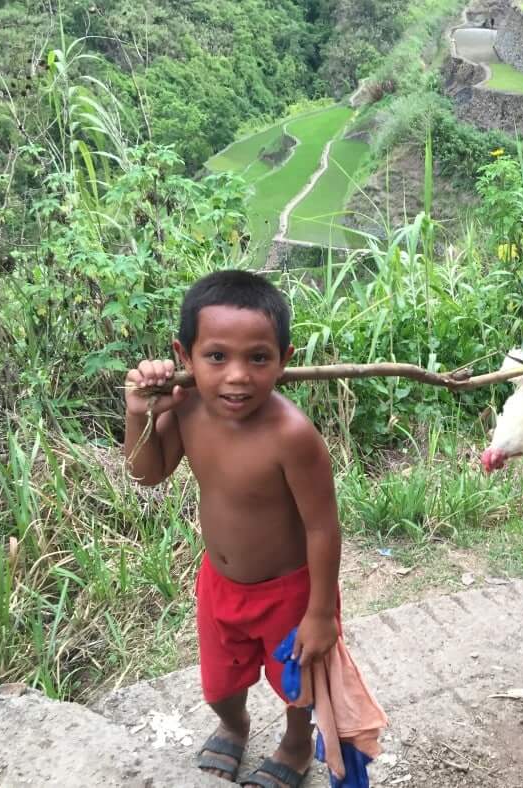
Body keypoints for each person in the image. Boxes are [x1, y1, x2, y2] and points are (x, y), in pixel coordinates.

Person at [123, 270, 341, 787]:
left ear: (284, 360)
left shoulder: (292, 436)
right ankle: (234, 724)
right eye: (217, 356)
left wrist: (321, 614)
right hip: (219, 588)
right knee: (219, 686)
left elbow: (323, 528)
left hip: (290, 592)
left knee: (299, 687)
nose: (237, 376)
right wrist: (139, 413)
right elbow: (146, 473)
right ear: (185, 355)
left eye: (258, 358)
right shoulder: (188, 408)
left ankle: (294, 744)